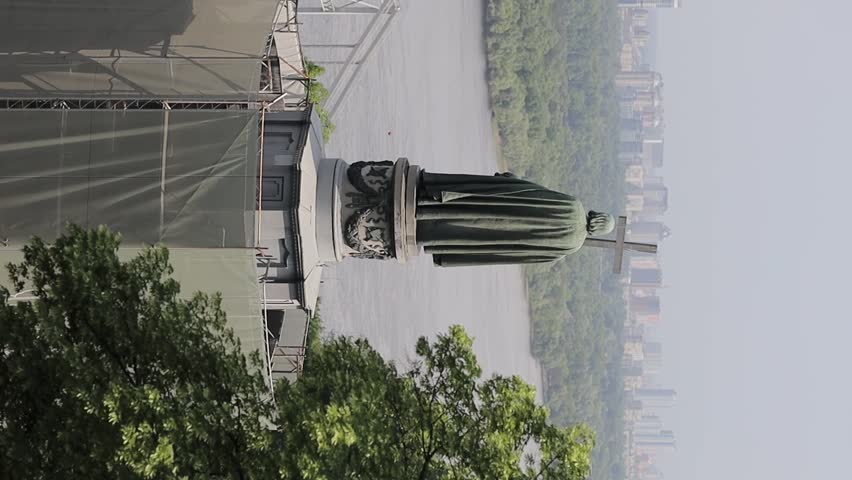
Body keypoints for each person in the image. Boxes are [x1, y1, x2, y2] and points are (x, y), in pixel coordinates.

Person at [415, 171, 614, 267]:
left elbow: (534, 193)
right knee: (472, 233)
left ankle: (427, 205)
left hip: (502, 209)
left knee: (473, 208)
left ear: (599, 216)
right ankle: (432, 237)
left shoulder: (574, 206)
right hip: (500, 238)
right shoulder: (573, 246)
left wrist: (510, 181)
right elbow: (529, 255)